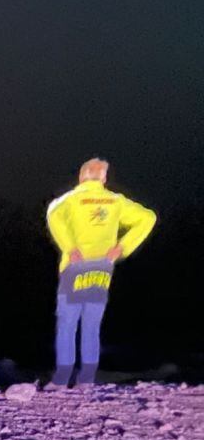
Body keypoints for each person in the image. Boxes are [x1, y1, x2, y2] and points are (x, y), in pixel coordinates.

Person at [45, 158, 156, 386]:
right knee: (92, 325)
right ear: (103, 178)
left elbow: (53, 215)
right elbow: (148, 217)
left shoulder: (70, 199)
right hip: (102, 267)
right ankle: (87, 379)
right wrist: (123, 247)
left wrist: (69, 246)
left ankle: (61, 379)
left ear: (81, 176)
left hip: (75, 265)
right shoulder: (115, 201)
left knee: (67, 323)